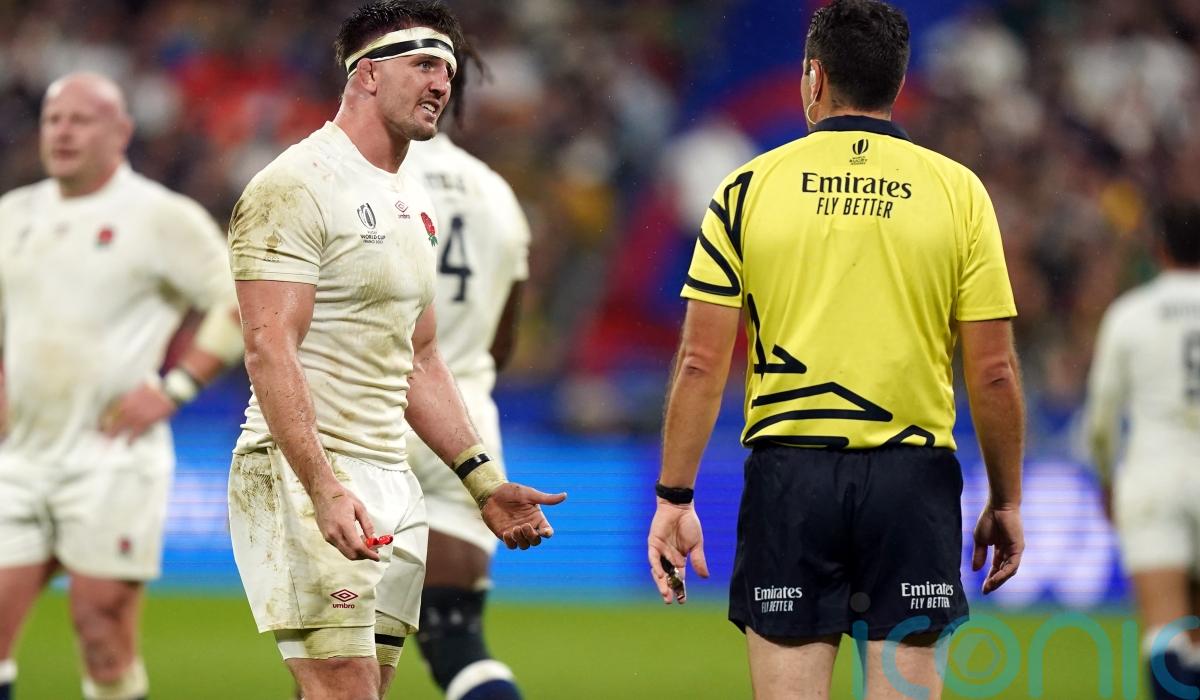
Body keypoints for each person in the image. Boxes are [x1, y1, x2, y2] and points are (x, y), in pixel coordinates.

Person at [645, 1, 1026, 698]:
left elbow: (700, 362)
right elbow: (994, 371)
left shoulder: (746, 188)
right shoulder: (959, 193)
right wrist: (1006, 500)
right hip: (912, 481)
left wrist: (675, 496)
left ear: (814, 78)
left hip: (791, 480)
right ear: (897, 81)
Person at [225, 3, 565, 699]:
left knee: (363, 690)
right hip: (309, 471)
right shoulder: (294, 185)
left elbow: (422, 359)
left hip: (393, 479)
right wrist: (322, 485)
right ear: (368, 74)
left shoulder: (412, 199)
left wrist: (483, 484)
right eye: (424, 64)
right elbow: (267, 348)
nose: (442, 83)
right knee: (344, 687)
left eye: (448, 70)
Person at [0, 72, 244, 700]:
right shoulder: (13, 214)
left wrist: (176, 387)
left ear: (120, 132)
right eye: (54, 119)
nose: (63, 132)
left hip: (110, 457)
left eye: (81, 120)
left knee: (102, 633)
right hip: (19, 455)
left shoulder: (160, 217)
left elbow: (238, 303)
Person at [397, 56, 531, 700]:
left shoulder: (363, 172)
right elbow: (504, 339)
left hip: (369, 419)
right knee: (455, 641)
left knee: (337, 658)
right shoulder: (498, 194)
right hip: (466, 428)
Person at [1085, 203, 1200, 700]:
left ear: (1159, 248)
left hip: (1154, 477)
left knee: (1167, 630)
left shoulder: (1131, 314)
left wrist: (1107, 479)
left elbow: (1101, 419)